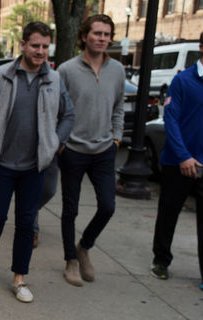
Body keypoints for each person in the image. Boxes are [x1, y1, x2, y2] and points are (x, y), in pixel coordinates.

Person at [0, 22, 75, 303]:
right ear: (23, 45)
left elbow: (68, 115)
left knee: (26, 223)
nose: (40, 51)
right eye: (35, 45)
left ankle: (19, 278)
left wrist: (56, 144)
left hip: (35, 166)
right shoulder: (1, 74)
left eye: (45, 46)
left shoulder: (54, 80)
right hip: (0, 164)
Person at [150, 26, 203, 293]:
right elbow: (172, 121)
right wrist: (183, 156)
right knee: (169, 213)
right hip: (179, 161)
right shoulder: (183, 80)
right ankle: (161, 261)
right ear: (202, 46)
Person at [57, 14, 125, 287]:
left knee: (107, 206)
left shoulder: (118, 70)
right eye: (97, 33)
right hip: (72, 150)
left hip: (104, 149)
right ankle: (70, 260)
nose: (102, 39)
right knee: (70, 209)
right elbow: (57, 110)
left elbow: (119, 107)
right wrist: (60, 144)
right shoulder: (66, 70)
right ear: (84, 36)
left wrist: (117, 139)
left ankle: (84, 247)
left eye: (107, 34)